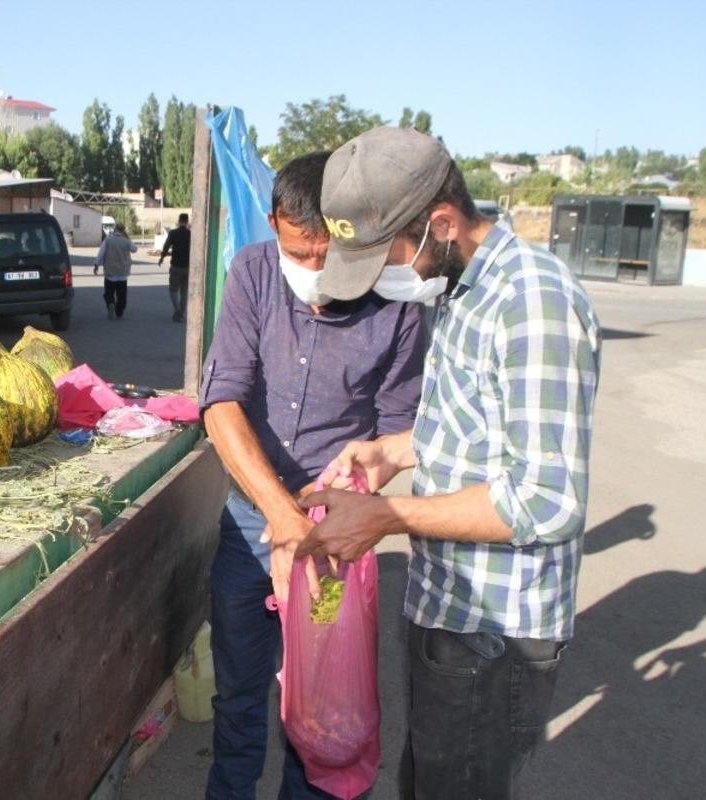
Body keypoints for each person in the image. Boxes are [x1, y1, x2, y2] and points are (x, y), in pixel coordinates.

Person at [296, 127, 602, 800]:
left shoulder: (532, 303)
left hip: (495, 636)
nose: (382, 278)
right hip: (448, 613)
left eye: (390, 256)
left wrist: (385, 516)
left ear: (442, 222)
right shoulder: (460, 289)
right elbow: (472, 430)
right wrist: (392, 451)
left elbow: (544, 500)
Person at [199, 151, 427, 799]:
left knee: (320, 701)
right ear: (273, 223)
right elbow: (221, 407)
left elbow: (395, 435)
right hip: (252, 524)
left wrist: (320, 531)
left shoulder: (397, 304)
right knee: (240, 691)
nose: (317, 271)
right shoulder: (251, 274)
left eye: (331, 254)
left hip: (332, 542)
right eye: (301, 253)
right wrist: (280, 519)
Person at [93, 222, 137, 320]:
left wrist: (96, 265)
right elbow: (135, 249)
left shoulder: (108, 240)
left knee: (109, 293)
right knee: (121, 295)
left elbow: (101, 254)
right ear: (123, 230)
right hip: (122, 273)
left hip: (110, 273)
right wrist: (128, 238)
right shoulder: (126, 241)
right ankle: (119, 312)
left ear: (115, 229)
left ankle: (110, 303)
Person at [159, 213, 191, 323]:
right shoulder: (191, 234)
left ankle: (178, 311)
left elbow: (166, 246)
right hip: (187, 267)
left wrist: (162, 258)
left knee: (173, 290)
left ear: (179, 220)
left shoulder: (173, 233)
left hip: (176, 266)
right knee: (184, 292)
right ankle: (181, 313)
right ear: (187, 221)